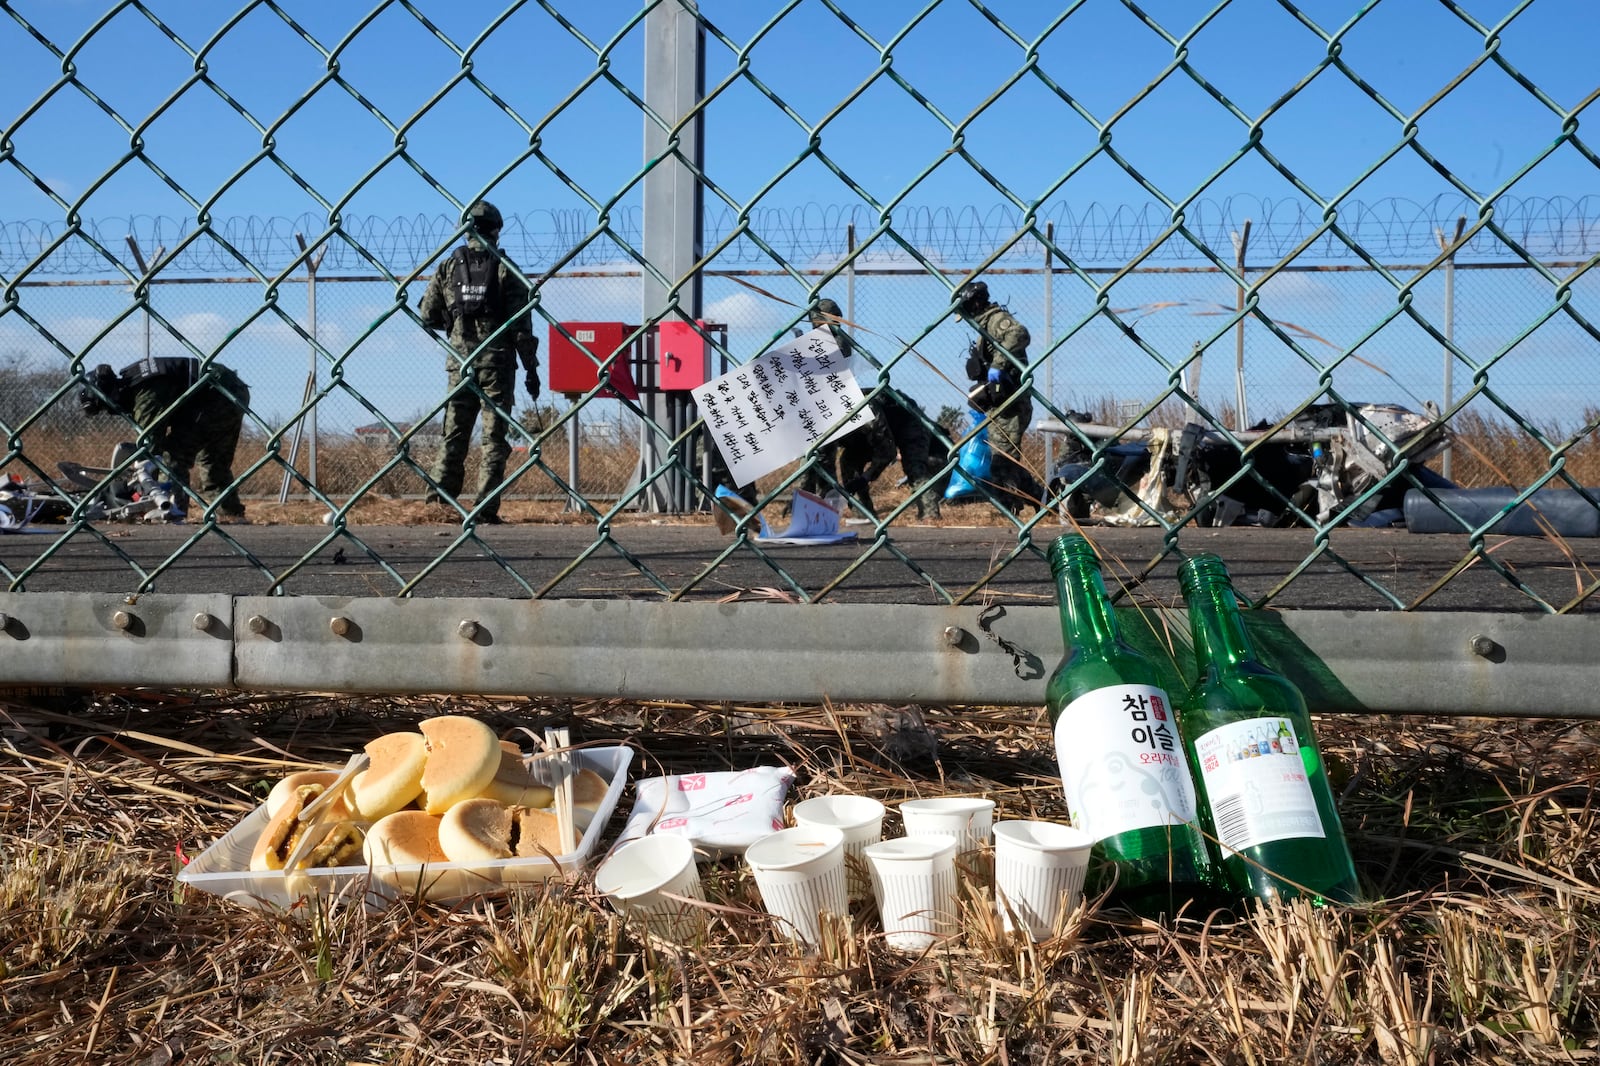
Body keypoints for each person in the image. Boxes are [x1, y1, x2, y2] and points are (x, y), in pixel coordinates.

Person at [418, 200, 541, 524]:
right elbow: (521, 327)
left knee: (454, 434)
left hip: (460, 364)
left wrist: (454, 323)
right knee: (493, 439)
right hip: (497, 366)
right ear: (497, 231)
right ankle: (485, 509)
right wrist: (531, 369)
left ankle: (439, 504)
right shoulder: (506, 268)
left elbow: (426, 314)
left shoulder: (448, 267)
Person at [78, 356, 251, 521]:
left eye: (104, 407)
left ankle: (172, 511)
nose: (109, 413)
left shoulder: (144, 394)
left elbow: (151, 445)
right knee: (213, 460)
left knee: (172, 458)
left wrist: (137, 481)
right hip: (231, 390)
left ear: (109, 395)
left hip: (216, 394)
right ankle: (230, 513)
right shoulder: (137, 379)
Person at [955, 279, 1044, 514]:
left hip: (1012, 402)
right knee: (1004, 458)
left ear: (974, 304)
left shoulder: (996, 320)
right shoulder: (985, 327)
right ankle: (1039, 499)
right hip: (1001, 403)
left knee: (1002, 462)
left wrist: (998, 365)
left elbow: (1019, 333)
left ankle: (1014, 506)